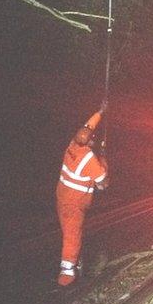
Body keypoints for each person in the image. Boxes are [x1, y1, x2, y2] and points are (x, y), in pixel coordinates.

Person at [55, 104, 109, 286]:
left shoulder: (73, 143)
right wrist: (103, 159)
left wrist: (100, 112)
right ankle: (67, 274)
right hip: (74, 204)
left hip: (62, 197)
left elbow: (87, 127)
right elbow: (102, 183)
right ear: (90, 142)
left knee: (67, 232)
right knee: (72, 236)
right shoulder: (88, 159)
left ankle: (74, 263)